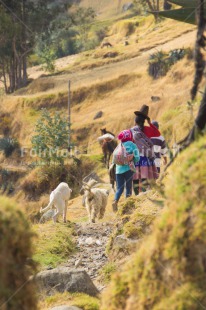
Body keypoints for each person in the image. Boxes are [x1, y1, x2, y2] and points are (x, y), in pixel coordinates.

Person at [131, 105, 159, 195]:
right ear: (144, 121)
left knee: (135, 177)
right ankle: (143, 193)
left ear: (135, 121)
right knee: (144, 176)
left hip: (135, 157)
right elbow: (157, 133)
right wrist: (150, 123)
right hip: (145, 157)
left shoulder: (132, 131)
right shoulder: (147, 129)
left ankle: (136, 195)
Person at [112, 129, 140, 212]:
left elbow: (114, 160)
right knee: (128, 187)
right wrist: (132, 159)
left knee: (119, 188)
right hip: (128, 169)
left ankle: (115, 201)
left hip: (118, 170)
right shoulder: (132, 145)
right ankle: (127, 205)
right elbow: (137, 158)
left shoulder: (119, 145)